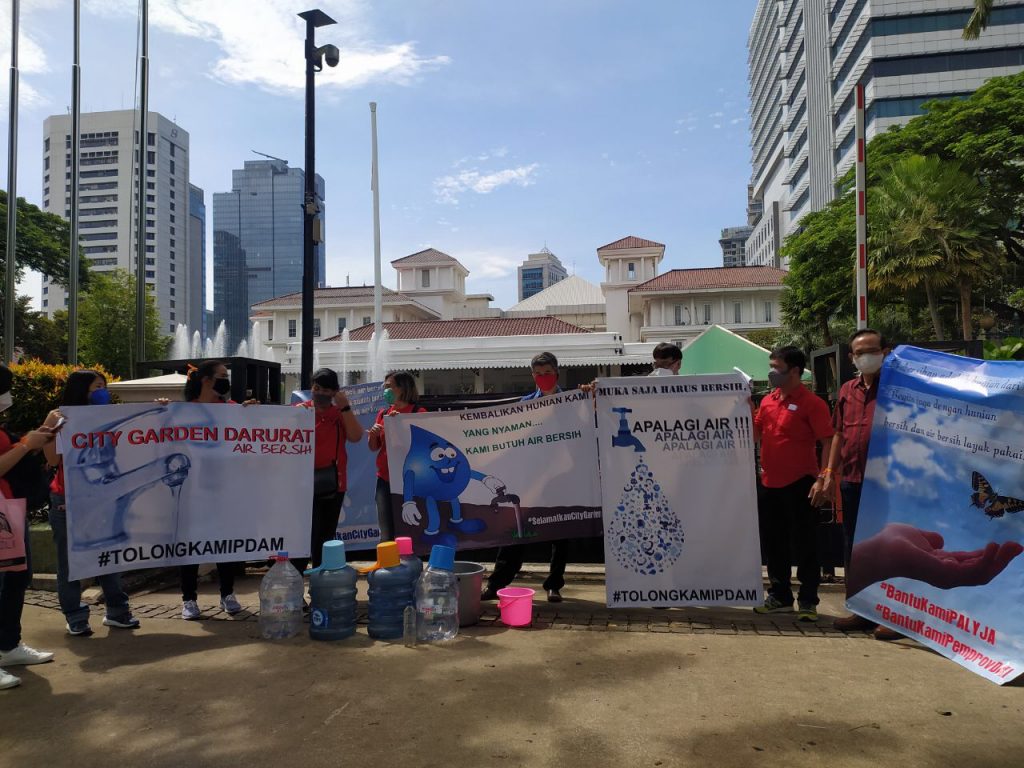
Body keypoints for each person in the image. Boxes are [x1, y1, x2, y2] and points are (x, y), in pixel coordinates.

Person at [813, 329, 899, 638]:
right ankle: (862, 611)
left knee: (889, 548)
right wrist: (828, 473)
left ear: (885, 352)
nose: (865, 357)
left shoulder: (899, 389)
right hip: (852, 479)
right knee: (855, 549)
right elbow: (838, 433)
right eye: (859, 353)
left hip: (889, 484)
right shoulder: (847, 390)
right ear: (851, 358)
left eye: (872, 351)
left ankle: (893, 616)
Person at [42, 370, 140, 636]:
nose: (103, 392)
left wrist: (163, 408)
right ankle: (75, 616)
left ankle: (117, 612)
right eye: (97, 387)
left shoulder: (108, 417)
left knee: (110, 558)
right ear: (81, 389)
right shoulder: (59, 417)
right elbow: (52, 460)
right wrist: (51, 428)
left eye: (104, 386)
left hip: (104, 496)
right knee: (69, 563)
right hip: (68, 499)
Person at [752, 346, 834, 622]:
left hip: (801, 483)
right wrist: (743, 405)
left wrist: (824, 476)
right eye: (771, 366)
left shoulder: (812, 403)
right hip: (769, 482)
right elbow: (754, 434)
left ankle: (808, 600)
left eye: (777, 368)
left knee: (805, 543)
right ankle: (780, 596)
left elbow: (827, 441)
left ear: (795, 371)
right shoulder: (767, 401)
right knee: (774, 543)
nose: (771, 372)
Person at [482, 352, 569, 603]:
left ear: (557, 373)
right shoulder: (524, 404)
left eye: (547, 373)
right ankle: (497, 583)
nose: (543, 377)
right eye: (538, 374)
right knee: (516, 529)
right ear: (532, 376)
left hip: (563, 476)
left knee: (561, 532)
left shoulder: (572, 402)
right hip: (531, 476)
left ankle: (554, 584)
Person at [178, 360, 250, 620]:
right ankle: (188, 598)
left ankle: (227, 593)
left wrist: (254, 415)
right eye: (221, 376)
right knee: (190, 544)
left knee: (225, 542)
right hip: (192, 489)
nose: (225, 380)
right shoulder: (183, 411)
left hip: (224, 488)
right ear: (206, 380)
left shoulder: (232, 409)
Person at [0, 364, 56, 690]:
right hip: (5, 512)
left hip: (9, 511)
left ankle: (8, 646)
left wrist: (34, 438)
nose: (7, 395)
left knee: (17, 577)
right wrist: (25, 446)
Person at [292, 368, 363, 576]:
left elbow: (356, 436)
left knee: (325, 537)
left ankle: (320, 582)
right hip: (302, 484)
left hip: (333, 483)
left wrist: (345, 407)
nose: (320, 393)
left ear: (334, 392)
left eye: (326, 390)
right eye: (317, 388)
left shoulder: (339, 413)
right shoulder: (300, 411)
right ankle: (295, 581)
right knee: (302, 536)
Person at [367, 372, 425, 543]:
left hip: (411, 480)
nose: (385, 391)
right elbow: (374, 447)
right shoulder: (383, 413)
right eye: (384, 387)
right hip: (385, 479)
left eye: (389, 387)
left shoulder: (418, 412)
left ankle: (409, 559)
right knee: (386, 529)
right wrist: (373, 434)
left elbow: (421, 447)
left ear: (402, 388)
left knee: (411, 528)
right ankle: (389, 559)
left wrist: (400, 425)